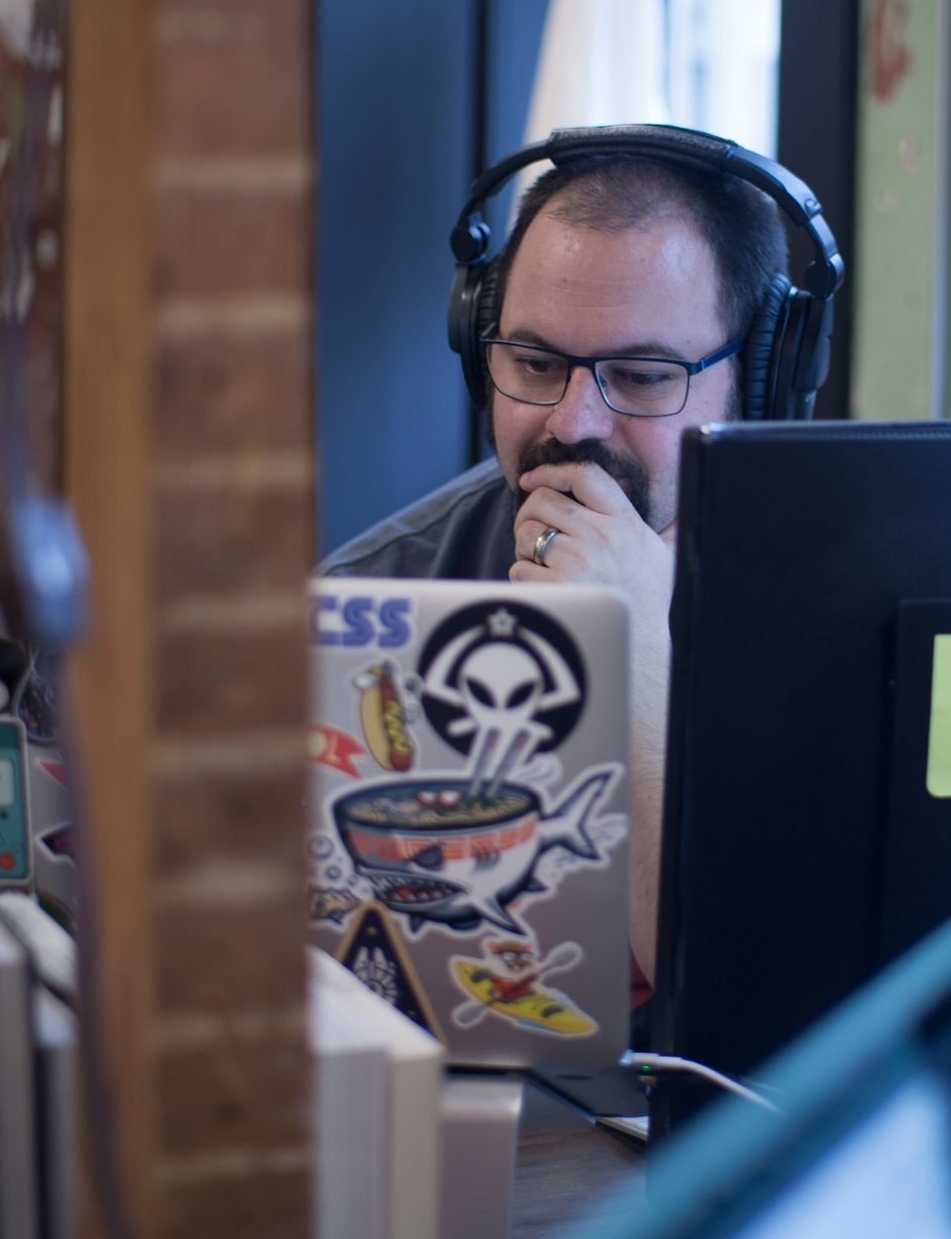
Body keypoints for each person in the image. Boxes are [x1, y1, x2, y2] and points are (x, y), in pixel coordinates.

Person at [319, 128, 834, 983]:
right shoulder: (369, 602)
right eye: (535, 361)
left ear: (759, 378)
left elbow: (740, 1004)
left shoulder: (845, 627)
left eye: (639, 375)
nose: (572, 421)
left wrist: (634, 653)